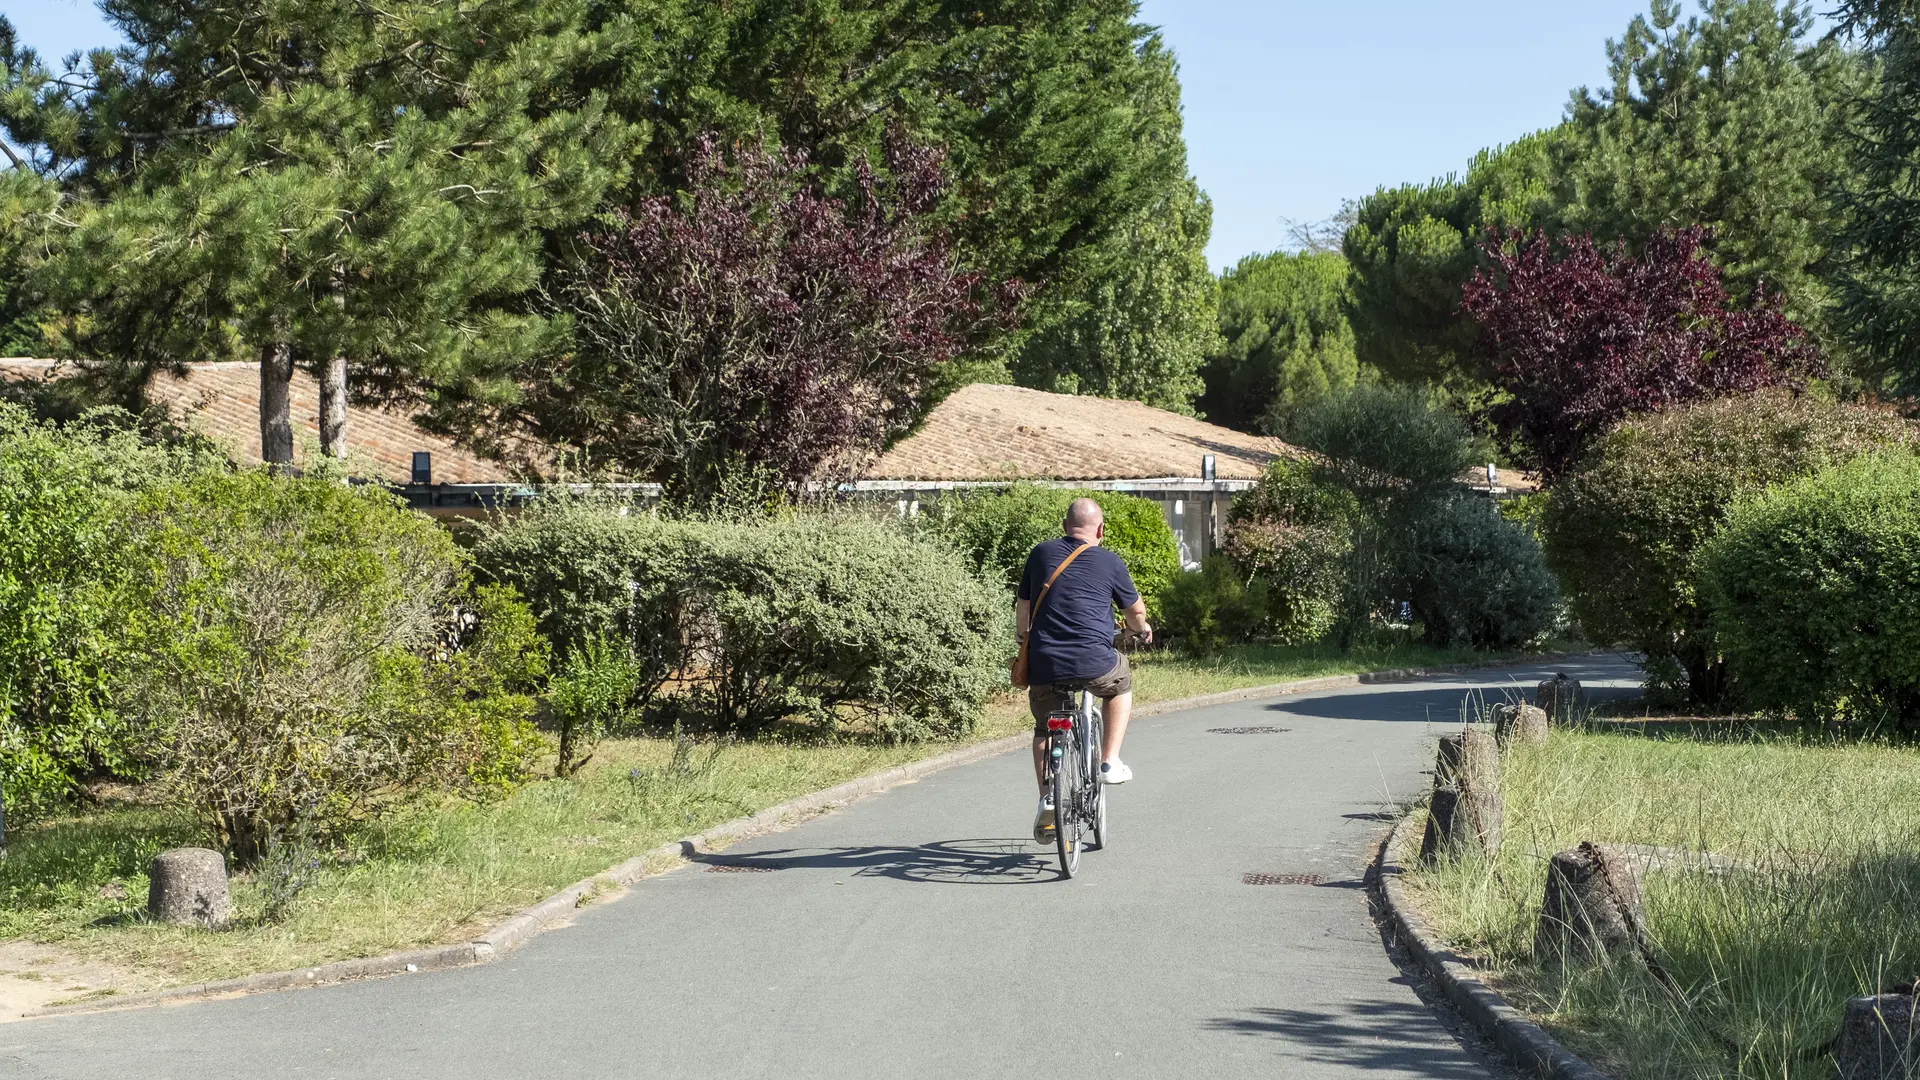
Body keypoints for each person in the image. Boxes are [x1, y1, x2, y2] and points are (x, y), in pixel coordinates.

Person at [1017, 497, 1152, 843]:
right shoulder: (1109, 562)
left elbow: (1023, 609)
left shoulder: (1040, 554)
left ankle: (1048, 796)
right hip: (1095, 661)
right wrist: (1141, 628)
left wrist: (1023, 641)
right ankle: (1109, 761)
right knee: (1121, 683)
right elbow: (1135, 612)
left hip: (1045, 663)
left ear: (1065, 527)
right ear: (1101, 530)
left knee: (1045, 728)